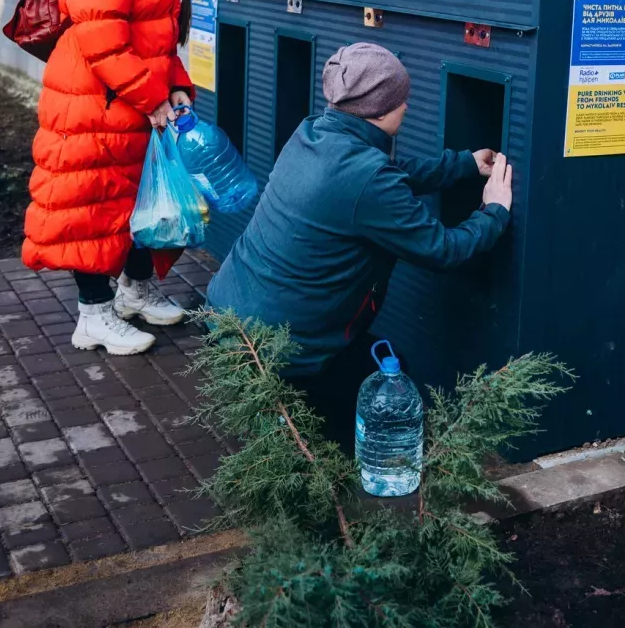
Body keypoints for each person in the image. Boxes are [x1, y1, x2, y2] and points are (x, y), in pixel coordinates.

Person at [205, 42, 515, 449]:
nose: (407, 107)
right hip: (282, 344)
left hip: (232, 312)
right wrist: (494, 210)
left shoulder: (312, 132)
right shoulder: (367, 177)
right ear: (382, 110)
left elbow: (385, 175)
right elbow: (442, 249)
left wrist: (462, 164)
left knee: (367, 373)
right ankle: (337, 472)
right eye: (402, 100)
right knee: (377, 388)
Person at [23, 0, 230, 355]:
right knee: (87, 207)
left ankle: (133, 292)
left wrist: (177, 87)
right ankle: (92, 316)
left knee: (146, 204)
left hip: (125, 107)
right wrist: (152, 96)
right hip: (90, 107)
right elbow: (100, 36)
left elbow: (159, 41)